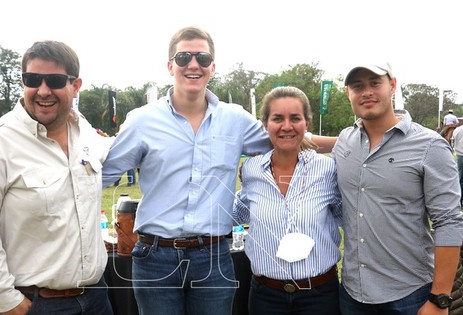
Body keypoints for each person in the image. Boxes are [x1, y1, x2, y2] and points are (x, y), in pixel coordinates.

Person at [102, 26, 337, 315]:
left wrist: (348, 142)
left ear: (212, 67)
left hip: (212, 257)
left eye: (202, 58)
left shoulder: (235, 119)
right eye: (183, 56)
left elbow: (285, 135)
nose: (193, 64)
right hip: (155, 257)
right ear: (169, 66)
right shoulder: (141, 121)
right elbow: (101, 175)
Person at [0, 40, 113, 315]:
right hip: (34, 304)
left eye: (54, 80)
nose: (42, 90)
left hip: (96, 298)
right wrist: (5, 297)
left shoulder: (85, 132)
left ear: (76, 86)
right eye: (32, 79)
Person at [333, 62, 463, 314]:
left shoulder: (430, 146)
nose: (367, 92)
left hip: (409, 294)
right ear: (348, 92)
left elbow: (448, 222)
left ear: (393, 85)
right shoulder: (344, 142)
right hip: (352, 292)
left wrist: (440, 298)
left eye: (375, 83)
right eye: (358, 85)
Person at [233, 86, 342, 315]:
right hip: (266, 297)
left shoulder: (327, 169)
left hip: (319, 296)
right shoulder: (252, 170)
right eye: (277, 118)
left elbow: (348, 216)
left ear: (307, 123)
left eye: (295, 118)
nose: (286, 126)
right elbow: (240, 214)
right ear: (265, 124)